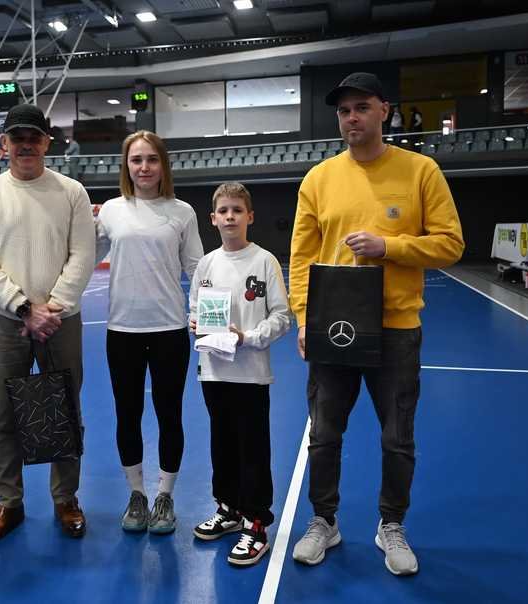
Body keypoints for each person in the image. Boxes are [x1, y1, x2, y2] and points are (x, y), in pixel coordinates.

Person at [288, 72, 464, 576]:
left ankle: (392, 525)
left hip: (396, 329)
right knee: (324, 435)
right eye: (344, 111)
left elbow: (450, 244)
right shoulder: (318, 179)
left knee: (396, 437)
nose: (352, 118)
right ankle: (324, 520)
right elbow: (300, 258)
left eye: (362, 108)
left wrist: (390, 246)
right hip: (333, 328)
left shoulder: (421, 170)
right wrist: (304, 317)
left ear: (385, 110)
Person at [0, 104, 96, 544]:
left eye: (33, 137)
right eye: (17, 138)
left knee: (66, 409)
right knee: (3, 415)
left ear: (46, 143)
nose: (25, 145)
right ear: (3, 144)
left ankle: (66, 498)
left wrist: (52, 308)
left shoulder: (72, 192)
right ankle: (9, 501)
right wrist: (25, 308)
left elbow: (82, 254)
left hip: (61, 321)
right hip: (7, 322)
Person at [95, 131, 203, 534]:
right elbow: (82, 257)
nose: (144, 167)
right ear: (126, 165)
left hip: (169, 330)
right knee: (127, 414)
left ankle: (165, 495)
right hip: (122, 330)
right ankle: (137, 494)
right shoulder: (110, 211)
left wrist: (206, 315)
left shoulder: (182, 212)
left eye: (152, 159)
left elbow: (197, 269)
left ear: (163, 165)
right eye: (136, 160)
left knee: (169, 413)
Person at [189, 182, 290, 566]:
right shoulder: (206, 264)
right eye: (223, 211)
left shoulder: (264, 261)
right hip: (214, 372)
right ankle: (228, 508)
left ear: (250, 216)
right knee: (222, 444)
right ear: (213, 219)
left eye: (237, 210)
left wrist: (247, 337)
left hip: (250, 374)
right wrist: (196, 323)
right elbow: (195, 307)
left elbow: (281, 317)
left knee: (253, 448)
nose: (230, 216)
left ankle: (256, 522)